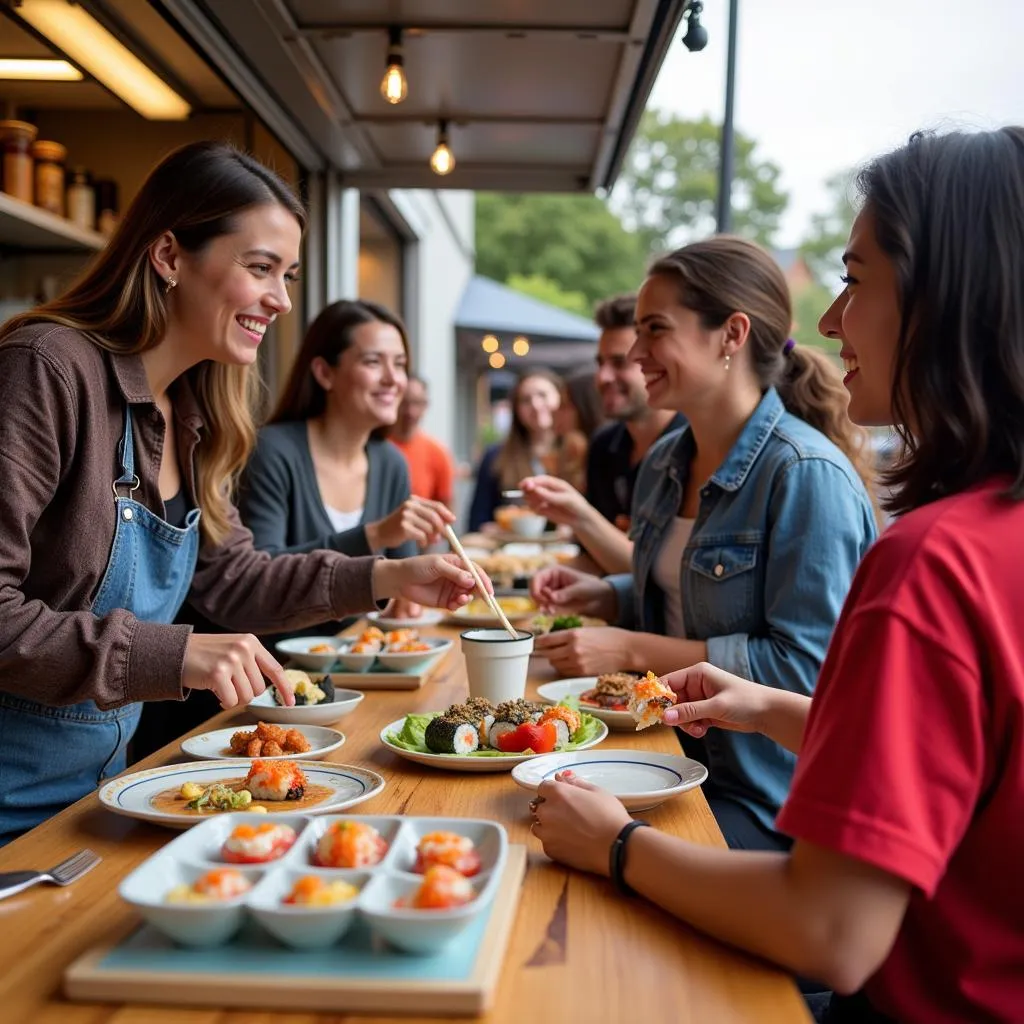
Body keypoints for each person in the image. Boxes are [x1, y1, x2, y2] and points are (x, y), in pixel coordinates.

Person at [530, 127, 1024, 1023]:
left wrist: (619, 846)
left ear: (949, 295)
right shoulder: (990, 542)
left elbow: (833, 929)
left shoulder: (929, 559)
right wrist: (762, 704)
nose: (831, 322)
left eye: (855, 277)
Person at [0, 142, 483, 845]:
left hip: (102, 793)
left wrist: (385, 574)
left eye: (286, 275)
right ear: (169, 256)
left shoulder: (194, 412)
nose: (282, 300)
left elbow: (233, 579)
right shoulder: (48, 370)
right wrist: (175, 653)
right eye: (260, 269)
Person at [531, 237, 878, 852]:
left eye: (654, 330)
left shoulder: (805, 476)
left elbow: (805, 674)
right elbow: (682, 596)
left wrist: (630, 645)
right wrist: (610, 596)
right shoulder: (666, 459)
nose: (636, 353)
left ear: (732, 334)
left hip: (756, 797)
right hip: (654, 756)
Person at [238, 299, 452, 627]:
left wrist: (407, 601)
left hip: (362, 660)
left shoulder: (391, 462)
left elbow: (404, 585)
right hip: (277, 664)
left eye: (400, 364)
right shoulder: (271, 452)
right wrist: (374, 535)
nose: (393, 380)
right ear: (325, 373)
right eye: (373, 362)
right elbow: (259, 576)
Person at [521, 294, 685, 573]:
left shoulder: (693, 446)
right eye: (600, 363)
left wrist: (581, 516)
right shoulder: (604, 445)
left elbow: (664, 576)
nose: (603, 377)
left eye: (620, 363)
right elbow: (595, 560)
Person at [467, 369, 563, 531]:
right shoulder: (495, 457)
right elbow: (477, 521)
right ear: (516, 410)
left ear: (561, 398)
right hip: (509, 550)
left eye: (543, 395)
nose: (535, 404)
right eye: (525, 400)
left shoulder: (579, 453)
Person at [388, 374, 456, 507]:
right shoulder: (374, 448)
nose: (410, 412)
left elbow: (446, 511)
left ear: (426, 406)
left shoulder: (438, 454)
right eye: (404, 403)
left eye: (417, 403)